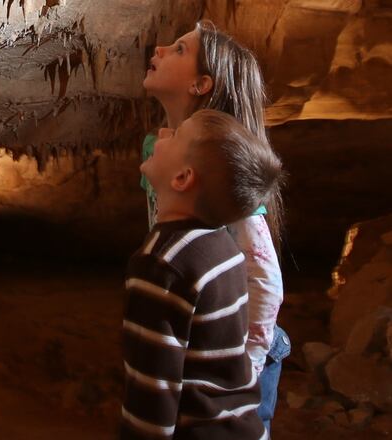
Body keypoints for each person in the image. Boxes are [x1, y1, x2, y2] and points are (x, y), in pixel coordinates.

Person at [140, 20, 290, 432]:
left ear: (201, 85)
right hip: (206, 343)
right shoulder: (160, 147)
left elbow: (264, 276)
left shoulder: (221, 162)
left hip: (240, 353)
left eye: (180, 50)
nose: (160, 48)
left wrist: (244, 370)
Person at [122, 109, 283, 439]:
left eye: (176, 135)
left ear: (183, 177)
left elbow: (153, 387)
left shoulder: (161, 264)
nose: (162, 135)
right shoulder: (224, 249)